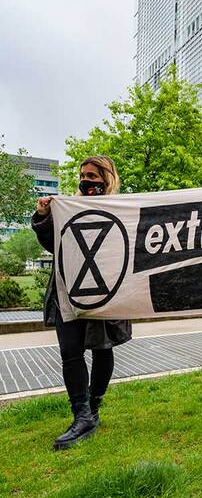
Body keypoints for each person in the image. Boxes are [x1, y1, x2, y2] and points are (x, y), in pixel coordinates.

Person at [32, 156, 132, 451]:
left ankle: (93, 407)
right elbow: (53, 245)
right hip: (68, 291)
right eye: (83, 175)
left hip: (104, 291)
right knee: (70, 352)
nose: (86, 180)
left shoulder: (122, 208)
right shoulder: (68, 208)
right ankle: (82, 415)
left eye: (92, 176)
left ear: (106, 179)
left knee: (102, 348)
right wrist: (44, 217)